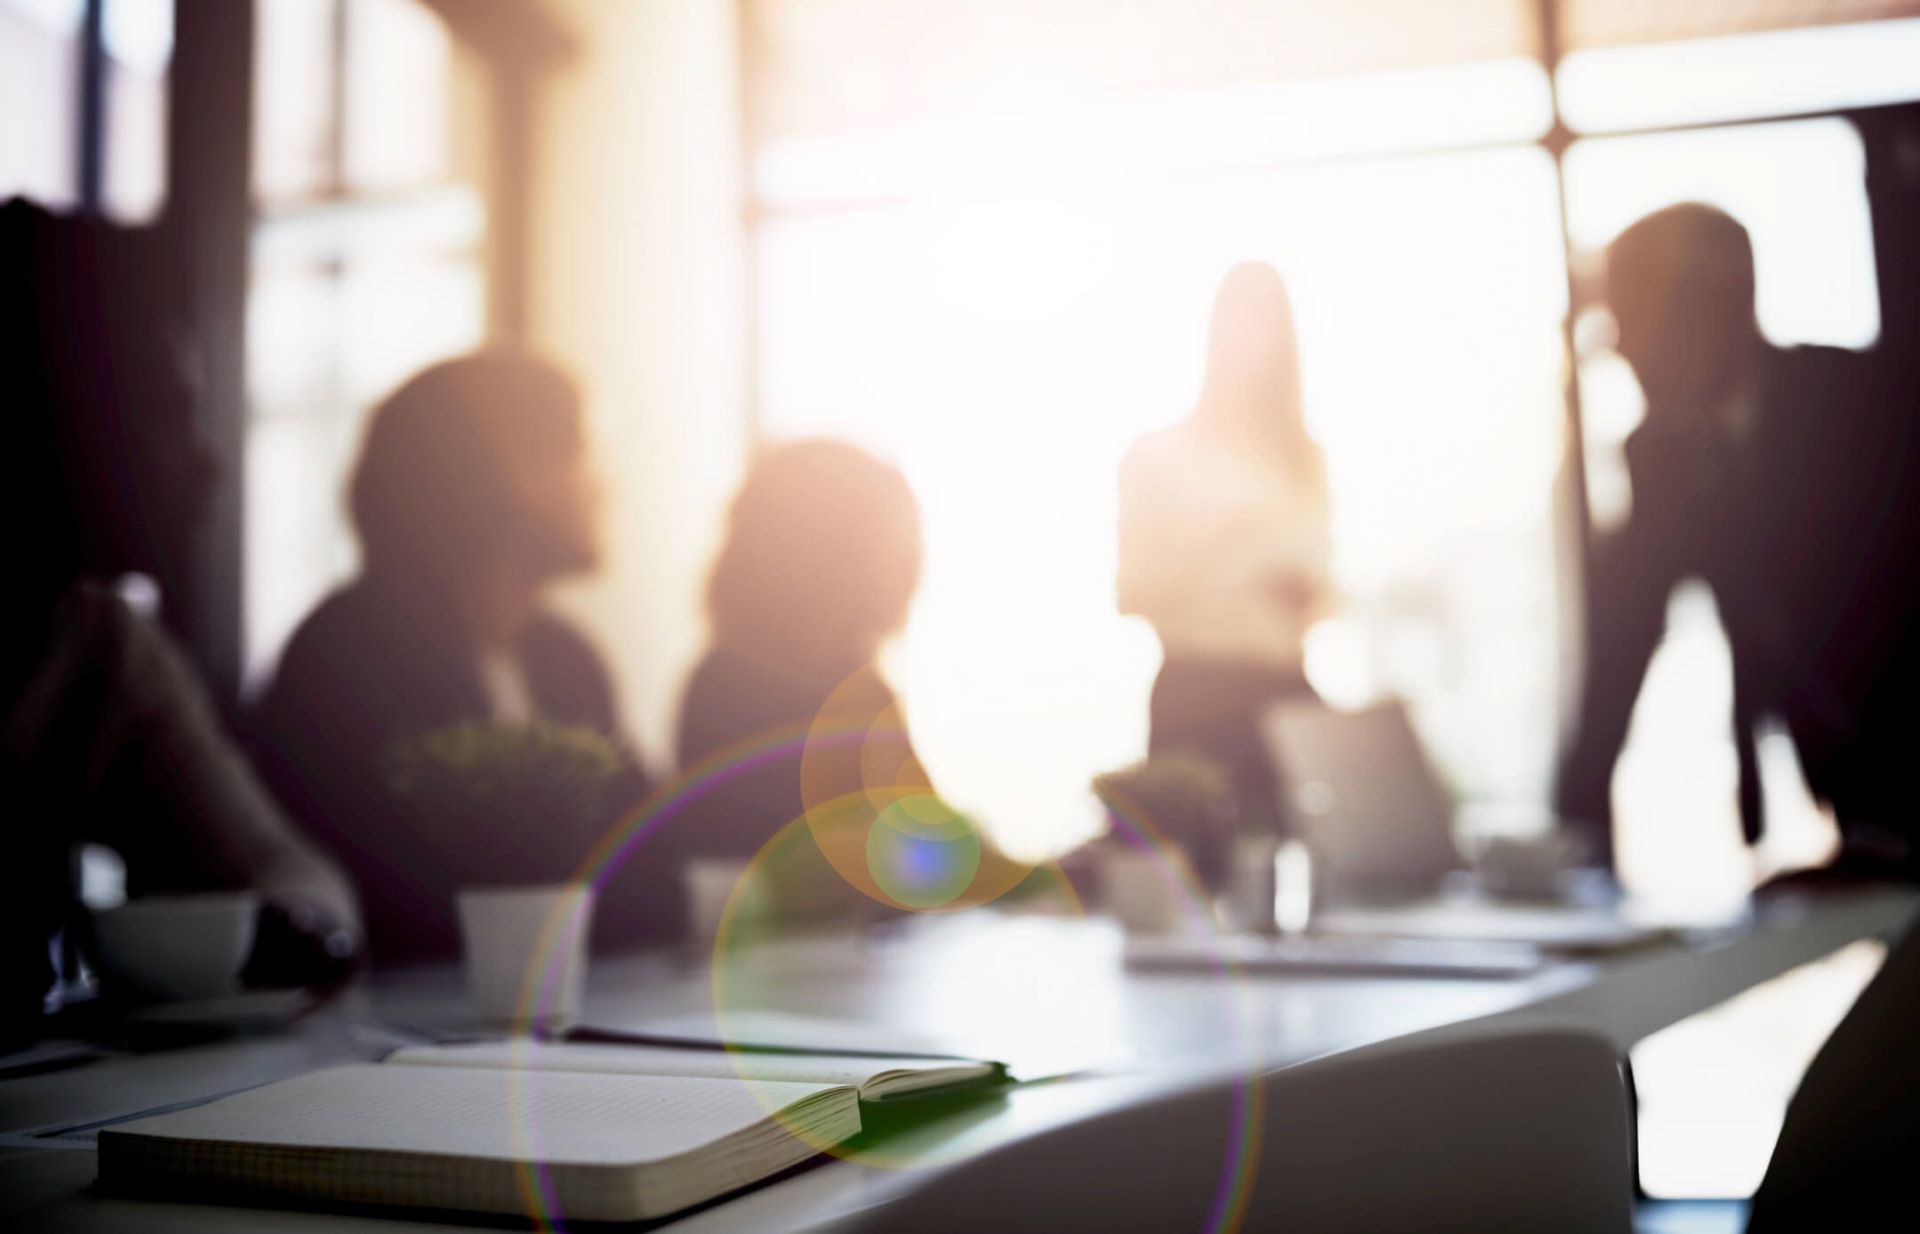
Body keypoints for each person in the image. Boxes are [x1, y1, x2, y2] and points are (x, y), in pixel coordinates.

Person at [2, 200, 358, 1046]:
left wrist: (272, 931)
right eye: (167, 413)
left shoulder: (105, 651)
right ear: (48, 408)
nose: (207, 463)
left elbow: (287, 874)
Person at [1557, 203, 1920, 874]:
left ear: (1712, 310)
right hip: (1858, 803)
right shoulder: (1661, 455)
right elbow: (1622, 647)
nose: (1624, 351)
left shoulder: (1867, 401)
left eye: (1641, 319)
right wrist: (1567, 836)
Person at [250, 351, 647, 964]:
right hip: (396, 1031)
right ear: (510, 470)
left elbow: (644, 850)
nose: (604, 485)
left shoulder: (568, 660)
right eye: (578, 454)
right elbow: (399, 898)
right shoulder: (344, 658)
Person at [1116, 261, 1334, 837]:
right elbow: (1128, 593)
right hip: (1196, 694)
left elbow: (1324, 597)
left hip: (1288, 693)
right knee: (1197, 866)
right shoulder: (1158, 455)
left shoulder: (1305, 459)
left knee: (1313, 865)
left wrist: (1312, 594)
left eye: (1268, 321)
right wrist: (1228, 548)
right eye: (1242, 318)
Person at [674, 439, 930, 921]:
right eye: (895, 538)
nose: (914, 565)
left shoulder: (866, 692)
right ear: (829, 549)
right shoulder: (729, 691)